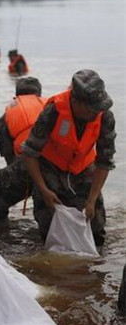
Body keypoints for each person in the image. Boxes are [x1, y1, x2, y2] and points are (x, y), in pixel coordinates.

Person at [22, 70, 116, 246]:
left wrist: (91, 200)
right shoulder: (54, 111)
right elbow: (29, 153)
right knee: (49, 225)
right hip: (49, 166)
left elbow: (105, 162)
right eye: (91, 109)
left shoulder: (104, 115)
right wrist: (43, 190)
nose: (96, 112)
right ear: (76, 102)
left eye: (98, 108)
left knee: (95, 225)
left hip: (83, 166)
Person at [0, 77, 46, 228]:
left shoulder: (6, 118)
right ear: (39, 95)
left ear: (16, 96)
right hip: (61, 165)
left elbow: (9, 157)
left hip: (29, 164)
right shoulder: (50, 107)